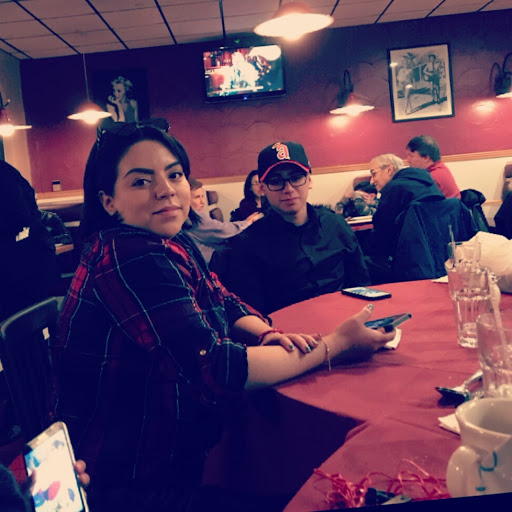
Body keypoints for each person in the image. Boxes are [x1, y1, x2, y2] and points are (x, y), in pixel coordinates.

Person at [50, 123, 393, 512]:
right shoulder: (130, 257)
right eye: (141, 181)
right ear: (109, 201)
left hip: (177, 448)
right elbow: (217, 367)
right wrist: (336, 345)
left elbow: (221, 297)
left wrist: (265, 334)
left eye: (174, 174)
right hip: (140, 480)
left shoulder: (168, 238)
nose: (166, 189)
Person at [210, 141, 370, 315]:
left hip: (345, 318)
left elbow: (361, 284)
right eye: (275, 181)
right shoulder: (246, 245)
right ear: (262, 188)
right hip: (287, 329)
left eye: (296, 178)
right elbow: (252, 314)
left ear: (309, 180)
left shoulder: (336, 225)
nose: (288, 189)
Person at [364, 153, 445, 284]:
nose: (371, 181)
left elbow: (382, 234)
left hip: (409, 262)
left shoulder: (394, 188)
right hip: (439, 258)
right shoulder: (429, 183)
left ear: (389, 169)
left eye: (374, 174)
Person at [185, 177, 262, 264]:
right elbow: (222, 230)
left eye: (202, 196)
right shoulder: (193, 217)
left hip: (215, 253)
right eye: (197, 197)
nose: (202, 201)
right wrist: (247, 222)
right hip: (212, 259)